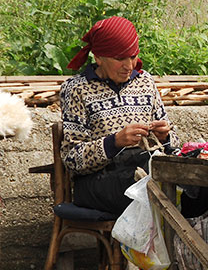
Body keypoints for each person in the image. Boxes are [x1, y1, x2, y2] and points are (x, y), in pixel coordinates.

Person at [60, 16, 177, 216]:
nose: (129, 65)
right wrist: (114, 142)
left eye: (132, 56)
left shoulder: (145, 82)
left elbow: (174, 145)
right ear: (98, 58)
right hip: (98, 182)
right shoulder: (77, 89)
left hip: (143, 169)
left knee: (196, 185)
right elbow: (72, 159)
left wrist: (165, 137)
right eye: (120, 59)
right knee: (152, 187)